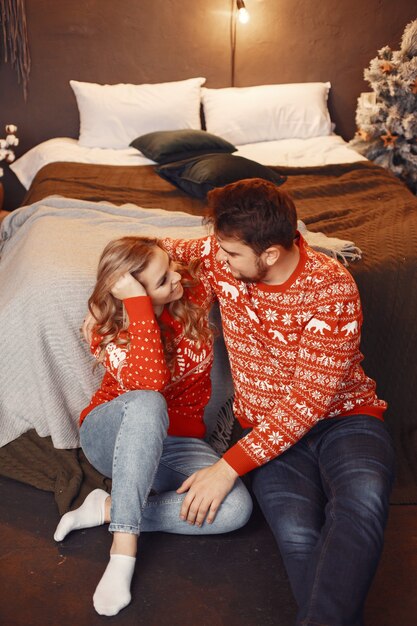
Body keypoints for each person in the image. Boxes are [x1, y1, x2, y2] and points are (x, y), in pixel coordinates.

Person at [160, 178, 395, 626]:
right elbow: (153, 248)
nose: (217, 259)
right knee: (296, 532)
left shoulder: (332, 288)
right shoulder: (220, 252)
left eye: (231, 254)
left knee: (362, 502)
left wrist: (225, 467)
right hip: (262, 426)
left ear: (269, 254)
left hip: (344, 418)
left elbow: (306, 403)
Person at [53, 235, 252, 617]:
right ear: (134, 295)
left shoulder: (189, 288)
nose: (177, 277)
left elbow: (218, 242)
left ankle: (107, 507)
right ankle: (123, 549)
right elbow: (148, 385)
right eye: (163, 280)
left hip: (177, 445)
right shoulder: (109, 329)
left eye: (171, 267)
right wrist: (139, 306)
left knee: (235, 508)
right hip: (114, 435)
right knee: (148, 400)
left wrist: (152, 256)